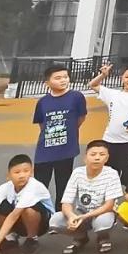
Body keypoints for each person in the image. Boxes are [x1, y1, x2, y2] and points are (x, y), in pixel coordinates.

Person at [49, 139, 122, 254]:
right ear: (85, 157)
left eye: (102, 155)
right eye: (93, 154)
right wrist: (71, 215)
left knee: (102, 224)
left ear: (107, 158)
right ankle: (80, 237)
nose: (97, 158)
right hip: (81, 211)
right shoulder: (77, 173)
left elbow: (109, 205)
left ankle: (103, 237)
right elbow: (66, 202)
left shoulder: (112, 174)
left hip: (103, 212)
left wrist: (84, 217)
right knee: (55, 221)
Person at [87, 62, 128, 188]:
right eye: (127, 77)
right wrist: (103, 75)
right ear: (121, 78)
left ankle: (126, 203)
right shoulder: (112, 94)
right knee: (108, 177)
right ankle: (109, 204)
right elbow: (93, 85)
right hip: (109, 142)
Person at [32, 65, 88, 202]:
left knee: (63, 185)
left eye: (65, 77)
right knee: (40, 185)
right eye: (58, 78)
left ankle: (60, 215)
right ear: (47, 83)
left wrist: (69, 131)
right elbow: (41, 123)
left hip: (66, 149)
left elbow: (81, 118)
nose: (63, 80)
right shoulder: (43, 102)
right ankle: (41, 215)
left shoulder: (76, 97)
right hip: (44, 150)